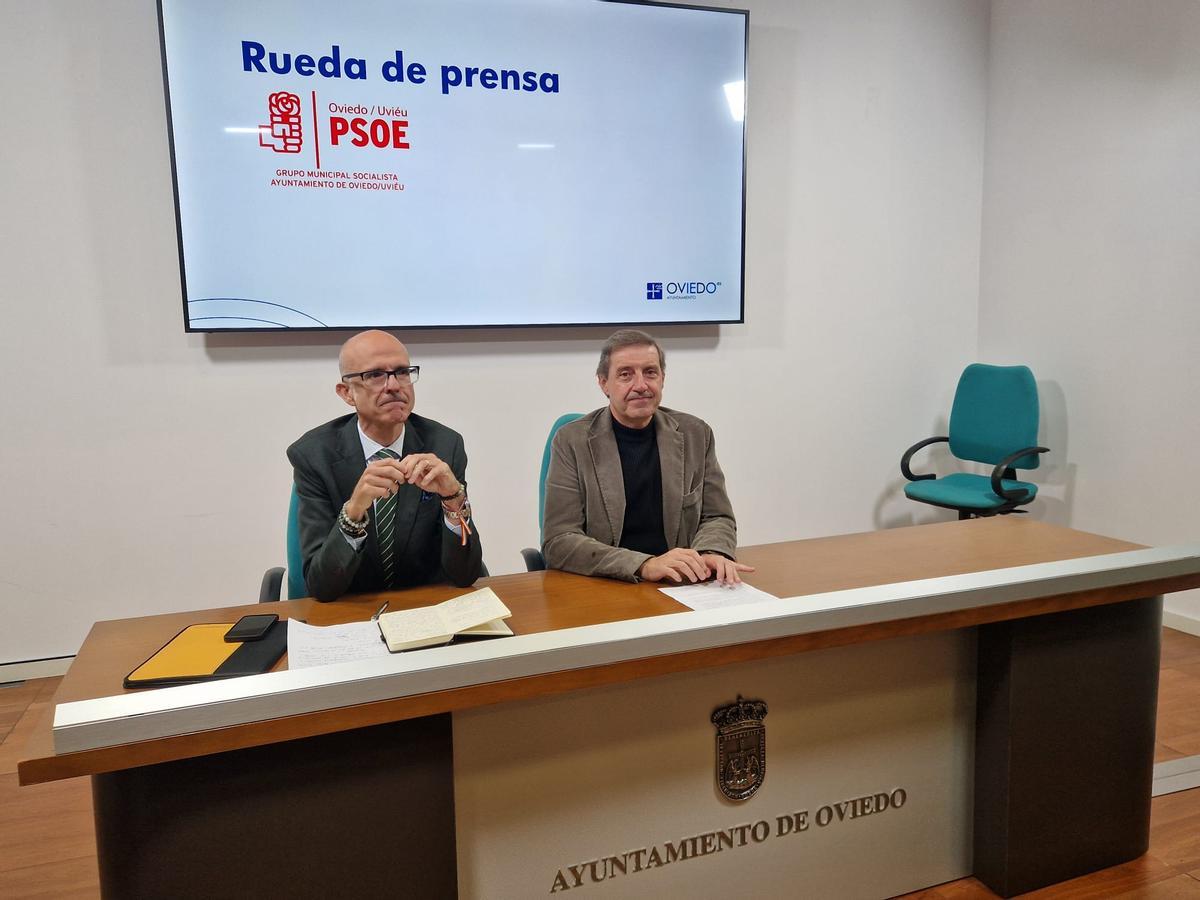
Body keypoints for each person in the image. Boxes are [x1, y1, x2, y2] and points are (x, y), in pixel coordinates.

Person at [542, 329, 753, 585]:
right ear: (603, 383)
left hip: (681, 584)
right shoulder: (571, 441)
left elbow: (717, 516)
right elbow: (559, 540)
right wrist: (643, 564)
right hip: (608, 584)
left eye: (650, 372)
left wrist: (711, 552)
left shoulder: (695, 434)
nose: (640, 385)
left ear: (662, 378)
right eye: (625, 374)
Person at [287, 330, 482, 601]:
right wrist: (354, 511)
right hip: (353, 612)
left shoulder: (444, 445)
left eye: (402, 372)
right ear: (346, 393)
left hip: (426, 609)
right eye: (375, 375)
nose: (394, 385)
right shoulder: (314, 455)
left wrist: (453, 498)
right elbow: (321, 587)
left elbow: (466, 575)